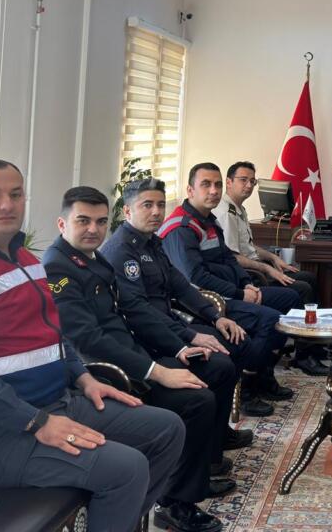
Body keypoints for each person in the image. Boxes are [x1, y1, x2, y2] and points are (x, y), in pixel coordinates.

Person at [0, 160, 185, 532]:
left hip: (57, 402)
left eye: (15, 194)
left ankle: (115, 519)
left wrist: (85, 378)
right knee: (127, 468)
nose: (7, 204)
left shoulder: (26, 260)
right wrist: (36, 422)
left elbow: (53, 335)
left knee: (168, 429)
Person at [44, 185, 237, 532]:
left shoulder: (94, 258)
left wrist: (178, 347)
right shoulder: (58, 269)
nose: (93, 229)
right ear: (62, 224)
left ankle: (193, 475)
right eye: (83, 221)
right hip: (107, 373)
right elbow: (88, 340)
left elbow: (133, 309)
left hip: (134, 354)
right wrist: (156, 371)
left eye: (100, 221)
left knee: (213, 369)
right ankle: (175, 503)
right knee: (197, 399)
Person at [102, 176, 287, 416]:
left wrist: (216, 318)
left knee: (236, 339)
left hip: (171, 323)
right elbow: (140, 312)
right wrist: (191, 335)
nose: (156, 212)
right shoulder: (121, 251)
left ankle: (226, 423)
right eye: (147, 205)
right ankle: (218, 423)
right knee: (223, 360)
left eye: (160, 205)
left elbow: (181, 286)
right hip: (149, 338)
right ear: (127, 211)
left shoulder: (152, 242)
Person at [159, 162, 300, 401]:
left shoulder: (209, 220)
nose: (214, 191)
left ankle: (262, 374)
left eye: (217, 185)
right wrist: (239, 293)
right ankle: (248, 383)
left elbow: (229, 258)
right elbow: (196, 278)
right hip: (203, 303)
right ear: (190, 190)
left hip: (231, 291)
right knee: (271, 320)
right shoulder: (181, 228)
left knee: (291, 298)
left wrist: (246, 284)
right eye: (206, 185)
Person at [214, 161, 328, 376]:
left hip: (257, 267)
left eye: (252, 181)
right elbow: (233, 257)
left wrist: (274, 259)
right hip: (248, 276)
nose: (249, 185)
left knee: (309, 277)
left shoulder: (239, 208)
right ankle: (304, 356)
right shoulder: (225, 213)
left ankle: (314, 342)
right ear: (228, 182)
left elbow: (248, 247)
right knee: (302, 288)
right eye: (243, 180)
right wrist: (267, 269)